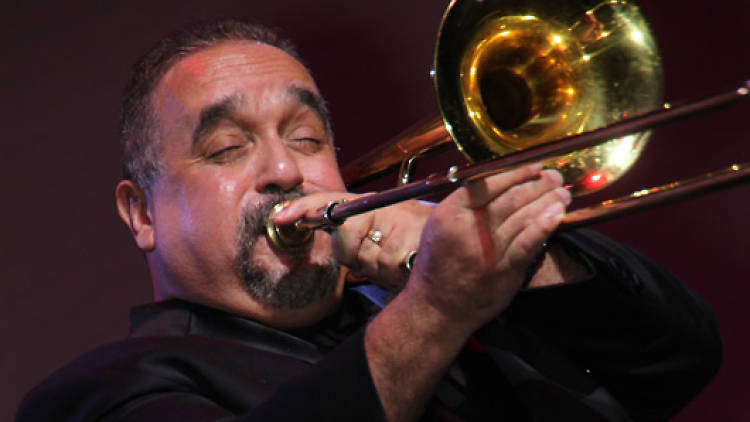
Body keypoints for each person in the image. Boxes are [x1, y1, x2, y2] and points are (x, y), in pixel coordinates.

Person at [17, 19, 721, 422]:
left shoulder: (460, 308)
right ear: (142, 213)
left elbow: (679, 361)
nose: (285, 170)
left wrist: (519, 258)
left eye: (307, 139)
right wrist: (433, 312)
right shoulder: (101, 392)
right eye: (228, 148)